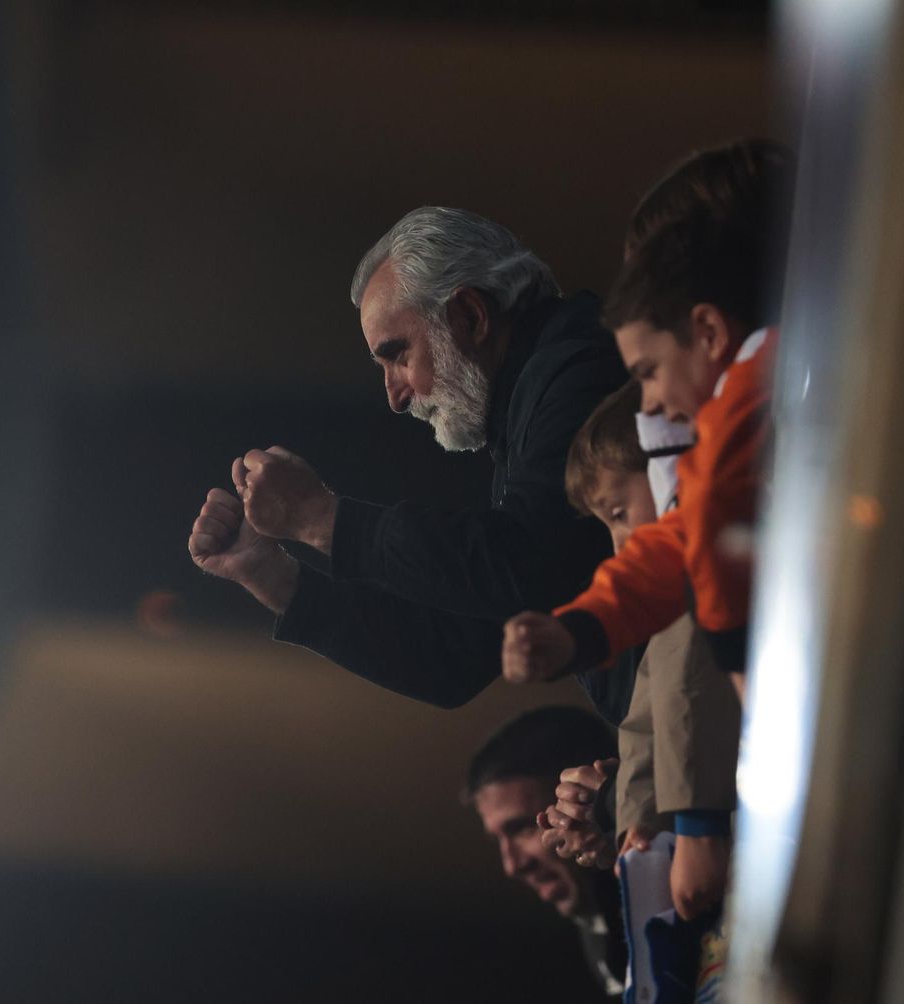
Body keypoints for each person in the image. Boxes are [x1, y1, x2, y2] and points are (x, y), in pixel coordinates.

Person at [188, 207, 629, 712]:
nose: (395, 397)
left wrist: (321, 519)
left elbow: (532, 563)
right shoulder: (532, 405)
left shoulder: (579, 375)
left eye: (398, 356)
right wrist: (272, 576)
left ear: (471, 316)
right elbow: (453, 658)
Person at [500, 159, 793, 697]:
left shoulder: (748, 406)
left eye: (649, 373)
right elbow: (677, 543)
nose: (650, 403)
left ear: (706, 326)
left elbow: (687, 534)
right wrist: (581, 630)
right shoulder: (731, 419)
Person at [547, 383, 742, 923]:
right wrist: (632, 829)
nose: (618, 545)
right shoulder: (666, 609)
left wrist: (690, 829)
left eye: (619, 511)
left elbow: (689, 703)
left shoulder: (696, 580)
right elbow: (647, 729)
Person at [465, 706, 627, 999]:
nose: (512, 866)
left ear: (580, 797)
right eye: (497, 840)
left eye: (522, 828)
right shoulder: (593, 924)